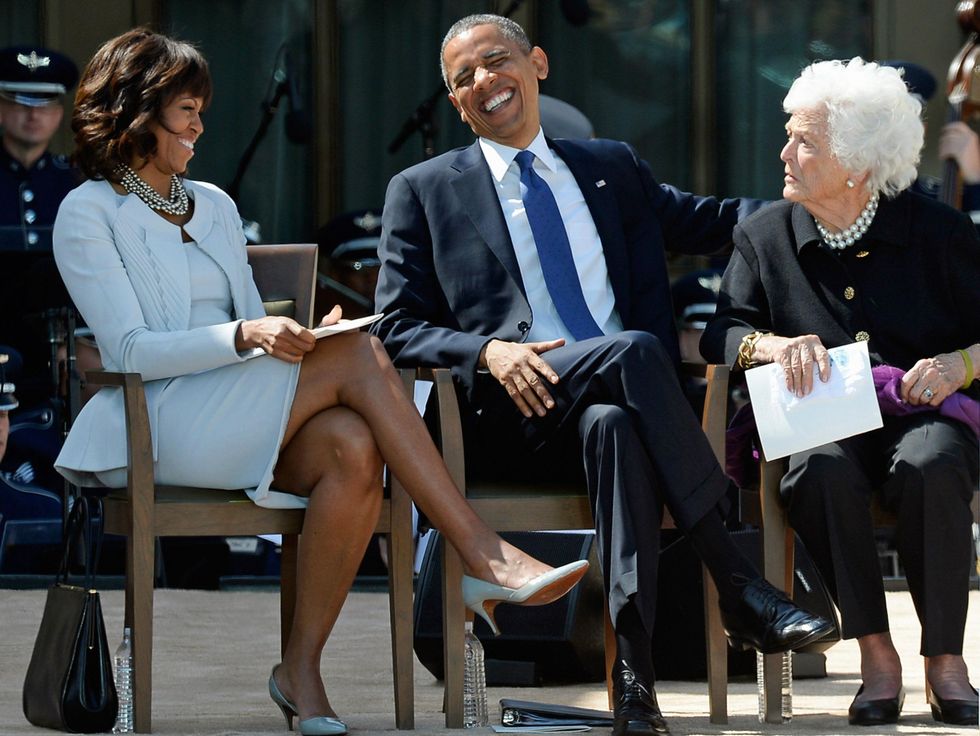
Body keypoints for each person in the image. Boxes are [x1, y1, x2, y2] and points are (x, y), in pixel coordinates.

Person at [51, 28, 589, 736]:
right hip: (156, 421)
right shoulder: (86, 212)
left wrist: (305, 334)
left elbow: (248, 322)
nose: (199, 126)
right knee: (364, 360)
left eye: (201, 111)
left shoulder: (209, 203)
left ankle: (299, 671)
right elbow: (126, 348)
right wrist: (249, 336)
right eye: (186, 112)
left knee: (352, 445)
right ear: (137, 113)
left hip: (237, 410)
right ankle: (479, 551)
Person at [372, 14, 832, 736]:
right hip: (509, 415)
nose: (483, 82)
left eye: (496, 62)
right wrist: (487, 351)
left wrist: (827, 203)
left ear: (539, 65)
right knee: (640, 349)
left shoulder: (610, 166)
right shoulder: (425, 188)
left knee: (616, 422)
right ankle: (736, 581)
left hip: (618, 408)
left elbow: (716, 220)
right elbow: (394, 326)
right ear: (456, 102)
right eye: (463, 78)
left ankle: (633, 687)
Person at [701, 58, 979, 728]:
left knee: (932, 465)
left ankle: (945, 660)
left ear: (857, 164)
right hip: (821, 417)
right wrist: (771, 346)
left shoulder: (937, 232)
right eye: (789, 134)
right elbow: (722, 332)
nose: (784, 152)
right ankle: (877, 655)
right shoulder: (765, 234)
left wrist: (960, 365)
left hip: (922, 411)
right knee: (817, 473)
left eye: (805, 142)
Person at [0, 45, 82, 405]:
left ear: (59, 112)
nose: (33, 116)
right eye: (20, 103)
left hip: (56, 347)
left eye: (44, 105)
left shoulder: (77, 181)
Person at [881, 60, 980, 223]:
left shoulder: (934, 196)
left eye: (907, 121)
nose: (893, 131)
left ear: (921, 130)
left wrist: (976, 179)